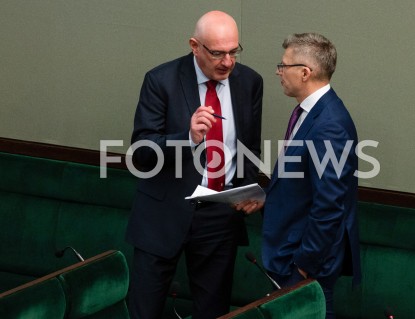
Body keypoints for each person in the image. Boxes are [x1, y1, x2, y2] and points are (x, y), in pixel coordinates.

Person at [126, 11, 263, 319]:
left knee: (213, 312)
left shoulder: (250, 82)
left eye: (233, 51)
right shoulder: (161, 80)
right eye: (217, 53)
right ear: (194, 46)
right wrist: (187, 137)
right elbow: (141, 154)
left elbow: (249, 147)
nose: (227, 62)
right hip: (163, 215)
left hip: (219, 217)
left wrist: (247, 189)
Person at [260, 33, 361, 319]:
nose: (279, 72)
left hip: (303, 263)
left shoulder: (330, 124)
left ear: (305, 73)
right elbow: (300, 185)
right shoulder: (309, 112)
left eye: (284, 66)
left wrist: (302, 265)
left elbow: (330, 205)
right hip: (290, 254)